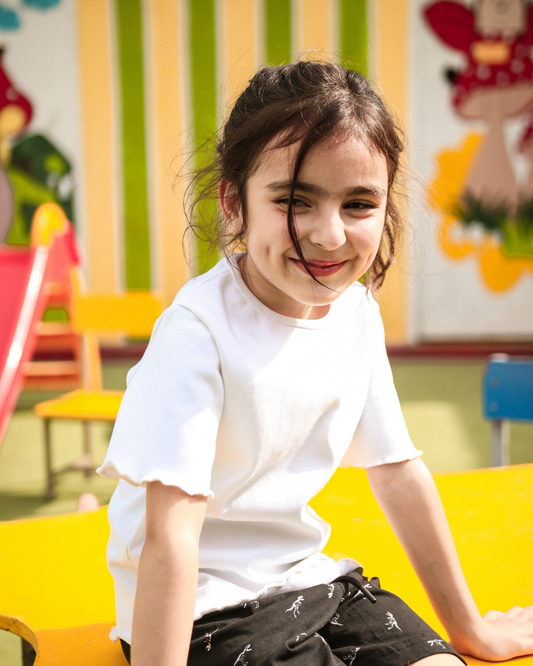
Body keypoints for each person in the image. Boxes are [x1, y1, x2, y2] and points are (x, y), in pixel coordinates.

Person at [97, 61, 533, 666]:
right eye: (295, 200)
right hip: (201, 610)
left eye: (358, 203)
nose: (328, 236)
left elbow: (399, 474)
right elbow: (172, 538)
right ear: (234, 202)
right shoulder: (197, 334)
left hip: (312, 582)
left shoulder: (355, 313)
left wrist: (473, 634)